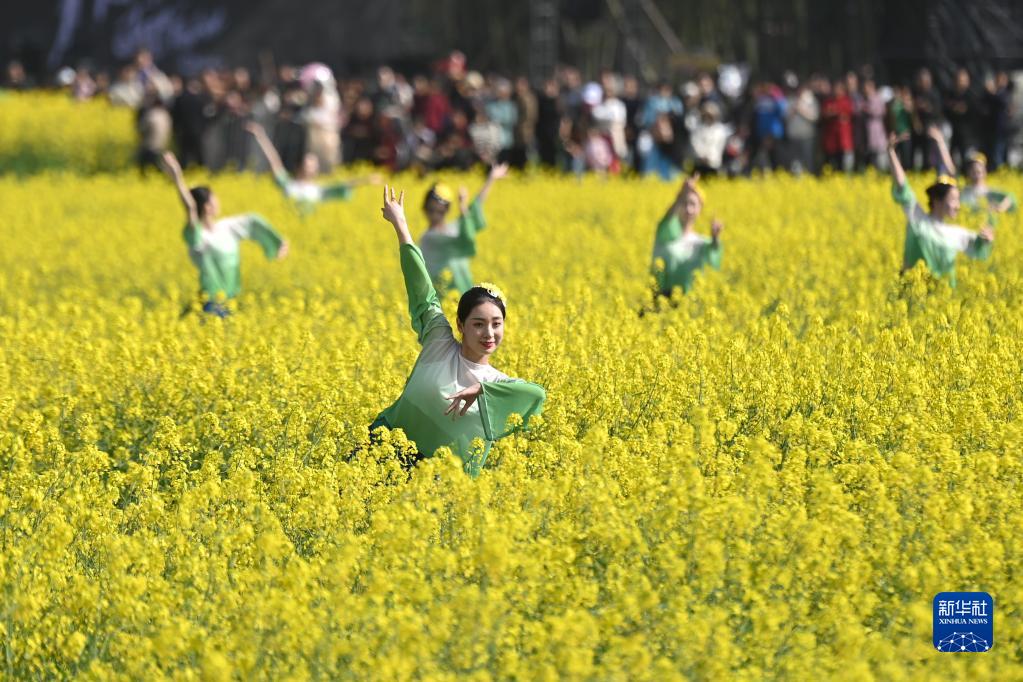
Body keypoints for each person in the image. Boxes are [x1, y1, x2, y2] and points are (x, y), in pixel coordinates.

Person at [372, 186, 546, 477]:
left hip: (438, 482)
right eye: (478, 324)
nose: (488, 333)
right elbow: (422, 289)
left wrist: (483, 389)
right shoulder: (438, 340)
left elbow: (537, 396)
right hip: (382, 449)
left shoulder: (498, 384)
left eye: (496, 324)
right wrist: (401, 226)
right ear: (460, 325)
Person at [161, 151, 289, 316]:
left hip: (230, 302)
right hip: (210, 304)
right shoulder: (199, 238)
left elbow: (253, 221)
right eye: (214, 199)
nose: (218, 201)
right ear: (207, 207)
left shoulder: (227, 227)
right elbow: (191, 209)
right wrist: (177, 178)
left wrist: (278, 243)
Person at [887, 133, 993, 289]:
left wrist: (986, 240)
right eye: (953, 200)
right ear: (937, 201)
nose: (957, 205)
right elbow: (904, 188)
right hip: (912, 293)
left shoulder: (956, 233)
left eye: (958, 200)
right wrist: (891, 153)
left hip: (941, 301)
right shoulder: (919, 221)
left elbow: (978, 248)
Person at [246, 122, 379, 215]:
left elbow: (344, 186)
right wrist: (261, 136)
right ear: (299, 165)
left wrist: (366, 180)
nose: (309, 166)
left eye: (313, 164)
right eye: (307, 162)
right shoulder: (288, 184)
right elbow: (274, 161)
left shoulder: (318, 190)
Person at [419, 163, 508, 295]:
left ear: (447, 211)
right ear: (424, 210)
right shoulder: (428, 239)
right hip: (443, 299)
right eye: (431, 210)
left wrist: (491, 178)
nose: (435, 215)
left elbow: (474, 208)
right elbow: (465, 240)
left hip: (463, 295)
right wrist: (462, 208)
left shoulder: (453, 229)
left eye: (440, 211)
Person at [651, 174, 723, 298]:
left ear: (700, 209)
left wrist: (715, 238)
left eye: (693, 204)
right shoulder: (666, 234)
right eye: (684, 203)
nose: (688, 209)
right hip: (660, 299)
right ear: (677, 205)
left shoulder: (701, 243)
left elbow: (713, 255)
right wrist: (682, 193)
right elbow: (666, 220)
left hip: (687, 302)